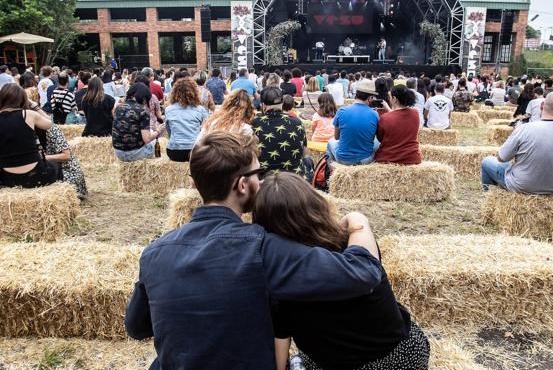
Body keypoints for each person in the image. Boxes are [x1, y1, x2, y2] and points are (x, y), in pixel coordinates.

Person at [125, 131, 382, 370]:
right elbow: (364, 272)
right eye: (258, 173)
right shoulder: (261, 248)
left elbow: (136, 327)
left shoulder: (154, 252)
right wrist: (358, 222)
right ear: (242, 185)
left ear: (195, 184)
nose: (261, 180)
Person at [254, 172, 430, 370]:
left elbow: (281, 335)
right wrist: (354, 219)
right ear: (315, 204)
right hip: (404, 355)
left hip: (336, 363)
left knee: (301, 359)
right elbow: (359, 228)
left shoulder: (278, 274)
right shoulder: (354, 244)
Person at [481, 91, 553, 194]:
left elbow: (501, 158)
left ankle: (489, 196)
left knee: (487, 161)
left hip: (522, 186)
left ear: (542, 106)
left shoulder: (525, 128)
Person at [0, 84, 60, 188]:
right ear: (23, 98)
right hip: (36, 174)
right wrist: (34, 105)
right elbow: (49, 123)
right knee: (55, 165)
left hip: (7, 177)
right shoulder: (28, 114)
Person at [252, 87, 309, 176]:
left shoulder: (254, 124)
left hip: (264, 179)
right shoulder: (297, 122)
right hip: (295, 179)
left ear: (263, 105)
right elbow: (304, 152)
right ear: (282, 103)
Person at [326, 79, 379, 165]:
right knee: (378, 143)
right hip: (366, 159)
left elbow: (336, 137)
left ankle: (330, 172)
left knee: (330, 143)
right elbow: (375, 137)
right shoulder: (375, 114)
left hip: (343, 159)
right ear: (370, 98)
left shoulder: (341, 111)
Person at [113, 83, 165, 162]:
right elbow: (147, 139)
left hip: (118, 152)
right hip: (135, 154)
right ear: (144, 98)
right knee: (155, 141)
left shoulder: (118, 108)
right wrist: (158, 131)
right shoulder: (142, 112)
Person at [36, 124, 88, 198]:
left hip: (66, 172)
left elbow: (66, 156)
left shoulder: (52, 129)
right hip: (51, 169)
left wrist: (44, 157)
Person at [165, 78, 209, 162]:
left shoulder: (168, 109)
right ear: (194, 92)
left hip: (174, 151)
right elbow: (206, 129)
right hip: (194, 150)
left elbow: (169, 131)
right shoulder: (200, 109)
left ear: (174, 93)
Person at [375, 85, 422, 165]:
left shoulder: (385, 118)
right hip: (412, 158)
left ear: (394, 99)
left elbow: (380, 139)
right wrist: (390, 110)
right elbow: (399, 117)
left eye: (390, 97)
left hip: (388, 159)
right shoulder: (415, 113)